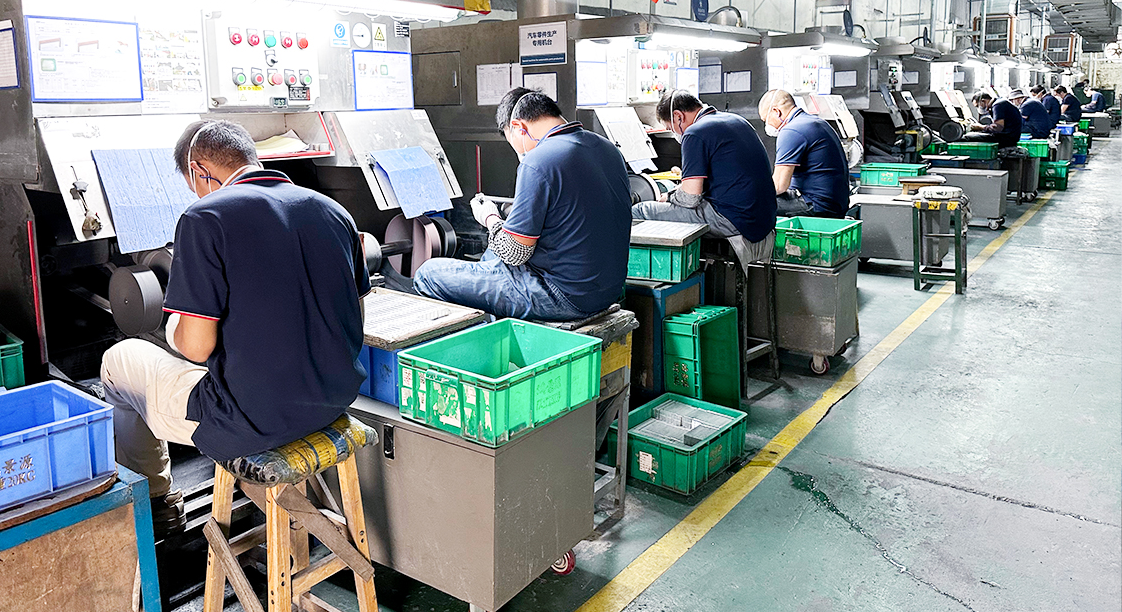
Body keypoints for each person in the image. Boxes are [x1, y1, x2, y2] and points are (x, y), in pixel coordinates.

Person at [100, 120, 369, 536]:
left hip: (250, 420)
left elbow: (196, 348)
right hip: (334, 399)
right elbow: (356, 319)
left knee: (117, 362)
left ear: (198, 169)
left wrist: (175, 327)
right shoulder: (333, 211)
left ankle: (157, 503)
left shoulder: (205, 217)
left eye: (193, 185)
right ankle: (300, 522)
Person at [414, 88, 631, 321]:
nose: (517, 151)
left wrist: (489, 217)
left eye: (512, 141)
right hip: (607, 290)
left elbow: (515, 252)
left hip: (563, 296)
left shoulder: (538, 160)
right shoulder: (607, 148)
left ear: (518, 127)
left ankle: (483, 338)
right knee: (492, 254)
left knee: (428, 273)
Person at [631, 91, 776, 272]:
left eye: (671, 128)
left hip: (733, 219)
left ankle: (642, 275)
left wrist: (669, 197)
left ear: (678, 116)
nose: (674, 134)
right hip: (764, 217)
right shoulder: (737, 121)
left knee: (639, 211)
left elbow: (690, 199)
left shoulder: (694, 133)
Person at [758, 89, 850, 219]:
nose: (767, 125)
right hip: (836, 203)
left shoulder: (791, 130)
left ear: (776, 111)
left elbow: (779, 186)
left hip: (818, 205)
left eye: (766, 120)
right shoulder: (817, 122)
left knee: (753, 204)